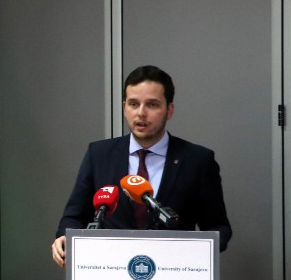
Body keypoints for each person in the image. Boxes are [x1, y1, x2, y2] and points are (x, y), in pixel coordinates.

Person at [52, 65, 232, 267]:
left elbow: (218, 227)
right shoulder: (99, 154)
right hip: (111, 271)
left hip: (173, 272)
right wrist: (64, 237)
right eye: (133, 104)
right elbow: (74, 216)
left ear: (169, 110)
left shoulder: (197, 160)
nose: (141, 113)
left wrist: (193, 255)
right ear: (124, 108)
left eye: (152, 105)